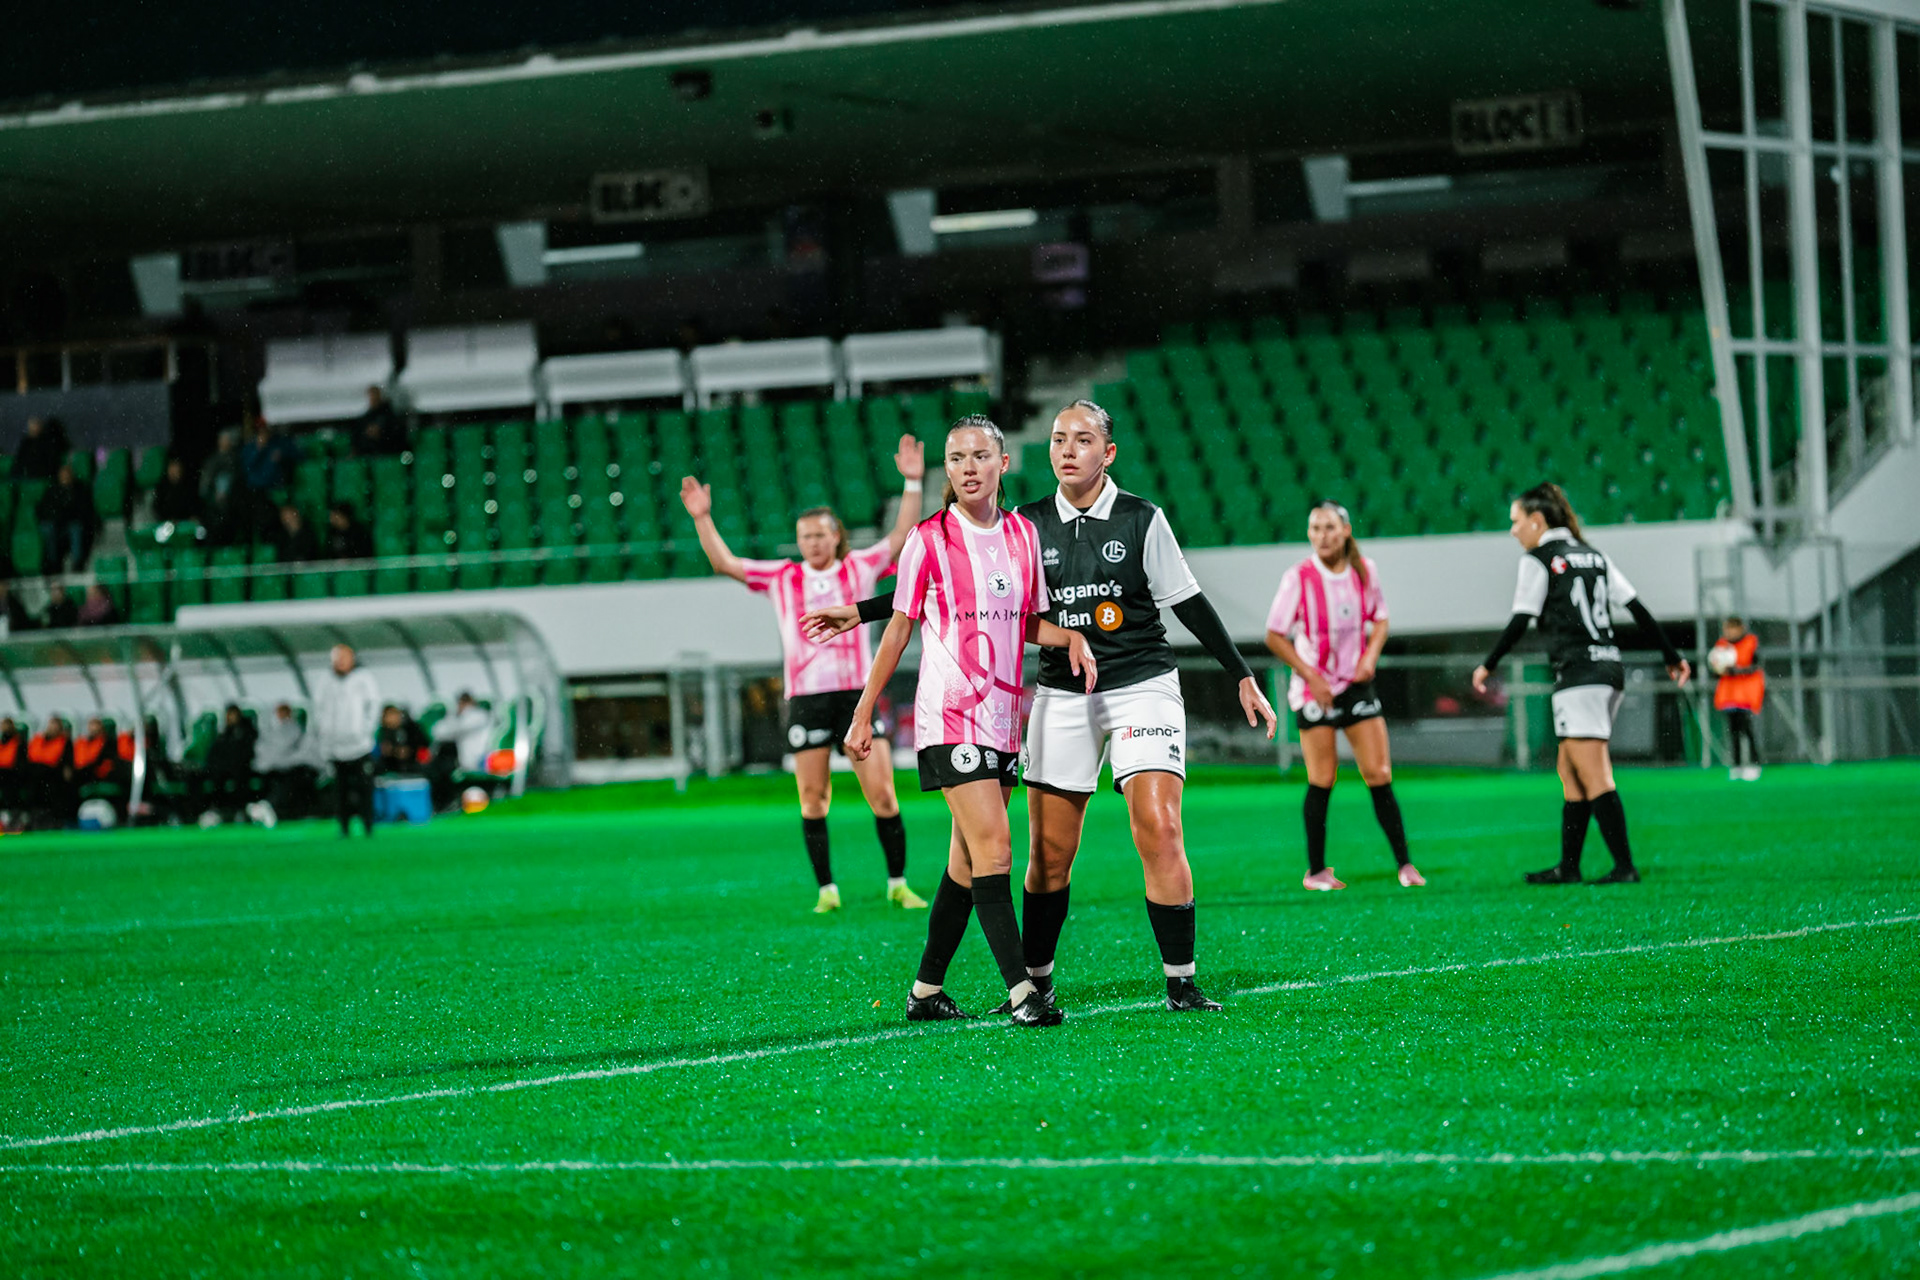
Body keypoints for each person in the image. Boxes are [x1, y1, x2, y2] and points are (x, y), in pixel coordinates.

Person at [806, 400, 1277, 1012]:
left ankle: (1180, 980)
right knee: (1048, 852)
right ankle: (1031, 980)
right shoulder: (1024, 524)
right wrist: (862, 611)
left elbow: (1187, 601)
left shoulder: (1141, 518)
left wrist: (1240, 673)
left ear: (1107, 453)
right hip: (1059, 694)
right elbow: (941, 585)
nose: (1066, 449)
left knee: (1157, 826)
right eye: (1058, 439)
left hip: (1140, 682)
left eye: (1082, 440)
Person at [843, 414, 1097, 1028]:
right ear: (948, 472)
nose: (967, 468)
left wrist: (1069, 638)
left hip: (1005, 719)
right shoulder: (927, 541)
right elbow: (899, 628)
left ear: (1002, 464)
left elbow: (1025, 621)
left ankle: (925, 993)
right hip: (950, 719)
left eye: (979, 456)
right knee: (998, 849)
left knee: (965, 864)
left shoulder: (1022, 537)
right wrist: (863, 711)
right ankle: (1023, 994)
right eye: (956, 459)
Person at [680, 433, 930, 914]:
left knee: (882, 794)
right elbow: (724, 563)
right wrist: (702, 518)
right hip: (806, 698)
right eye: (805, 535)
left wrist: (913, 481)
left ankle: (897, 883)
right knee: (814, 799)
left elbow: (901, 537)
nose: (812, 542)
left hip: (857, 696)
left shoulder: (858, 568)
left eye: (820, 533)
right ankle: (827, 891)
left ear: (836, 535)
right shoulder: (782, 577)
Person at [1472, 482, 1690, 885]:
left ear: (1537, 521)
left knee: (1594, 774)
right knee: (1570, 770)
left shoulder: (1539, 559)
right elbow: (1637, 608)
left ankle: (1624, 867)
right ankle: (1568, 867)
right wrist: (1671, 655)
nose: (1513, 531)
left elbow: (1521, 617)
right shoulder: (1594, 555)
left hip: (1578, 675)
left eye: (1516, 522)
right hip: (1608, 671)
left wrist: (1488, 665)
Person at [1264, 502, 1422, 892]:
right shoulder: (1298, 577)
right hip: (1313, 690)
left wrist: (1370, 657)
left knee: (1379, 774)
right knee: (1322, 778)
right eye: (1315, 528)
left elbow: (1380, 618)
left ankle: (1405, 865)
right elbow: (1274, 635)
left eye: (1329, 527)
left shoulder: (1364, 571)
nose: (1322, 535)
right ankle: (1316, 872)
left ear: (1346, 530)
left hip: (1356, 684)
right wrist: (1311, 676)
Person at [314, 644, 381, 837]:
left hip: (359, 745)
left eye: (344, 658)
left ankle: (368, 826)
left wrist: (365, 731)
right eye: (337, 659)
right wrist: (325, 734)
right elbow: (319, 708)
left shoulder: (364, 678)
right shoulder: (325, 680)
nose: (341, 662)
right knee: (340, 790)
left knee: (364, 788)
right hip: (335, 746)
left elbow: (373, 705)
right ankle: (344, 828)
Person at [1712, 616, 1765, 782]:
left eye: (1732, 629)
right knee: (1733, 731)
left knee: (1746, 729)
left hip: (1746, 693)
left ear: (1740, 629)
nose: (1729, 633)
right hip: (1729, 694)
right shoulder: (1721, 646)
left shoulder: (1751, 643)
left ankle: (1755, 764)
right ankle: (1736, 766)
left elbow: (1757, 665)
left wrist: (1737, 671)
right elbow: (1716, 670)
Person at [253, 703, 318, 820]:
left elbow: (290, 750)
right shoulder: (274, 731)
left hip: (296, 768)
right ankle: (268, 806)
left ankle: (270, 807)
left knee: (287, 781)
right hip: (280, 767)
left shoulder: (296, 729)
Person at [37, 463, 98, 574]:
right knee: (49, 529)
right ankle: (52, 564)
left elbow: (82, 511)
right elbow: (45, 510)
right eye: (63, 475)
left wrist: (67, 515)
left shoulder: (80, 490)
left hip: (72, 525)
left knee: (76, 528)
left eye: (68, 474)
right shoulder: (52, 490)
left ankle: (77, 563)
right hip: (56, 525)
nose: (65, 477)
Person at [202, 704, 259, 818]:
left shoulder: (247, 731)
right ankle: (218, 810)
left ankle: (239, 810)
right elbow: (214, 752)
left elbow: (247, 752)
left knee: (239, 780)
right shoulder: (224, 734)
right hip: (224, 768)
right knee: (215, 778)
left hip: (242, 767)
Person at [200, 429, 244, 544]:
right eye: (223, 440)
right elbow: (204, 486)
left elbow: (237, 482)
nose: (225, 443)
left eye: (227, 440)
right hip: (213, 507)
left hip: (231, 507)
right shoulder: (212, 461)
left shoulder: (235, 461)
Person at [351, 386, 406, 457]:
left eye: (375, 396)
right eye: (371, 397)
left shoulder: (389, 415)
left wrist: (381, 432)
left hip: (388, 452)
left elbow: (397, 434)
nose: (373, 399)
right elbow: (357, 436)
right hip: (370, 454)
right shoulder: (365, 419)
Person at [375, 704, 429, 775]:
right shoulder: (382, 732)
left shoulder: (412, 728)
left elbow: (424, 745)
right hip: (391, 768)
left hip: (415, 767)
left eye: (392, 715)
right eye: (387, 716)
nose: (390, 719)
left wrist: (410, 751)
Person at [13, 416, 68, 482]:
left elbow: (51, 461)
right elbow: (19, 460)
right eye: (31, 425)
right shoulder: (26, 443)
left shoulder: (47, 442)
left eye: (35, 425)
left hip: (41, 475)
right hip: (26, 475)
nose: (33, 428)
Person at [150, 456, 200, 524]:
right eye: (172, 466)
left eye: (177, 467)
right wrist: (169, 520)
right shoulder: (161, 488)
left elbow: (194, 508)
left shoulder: (189, 487)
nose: (175, 470)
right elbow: (158, 509)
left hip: (185, 524)